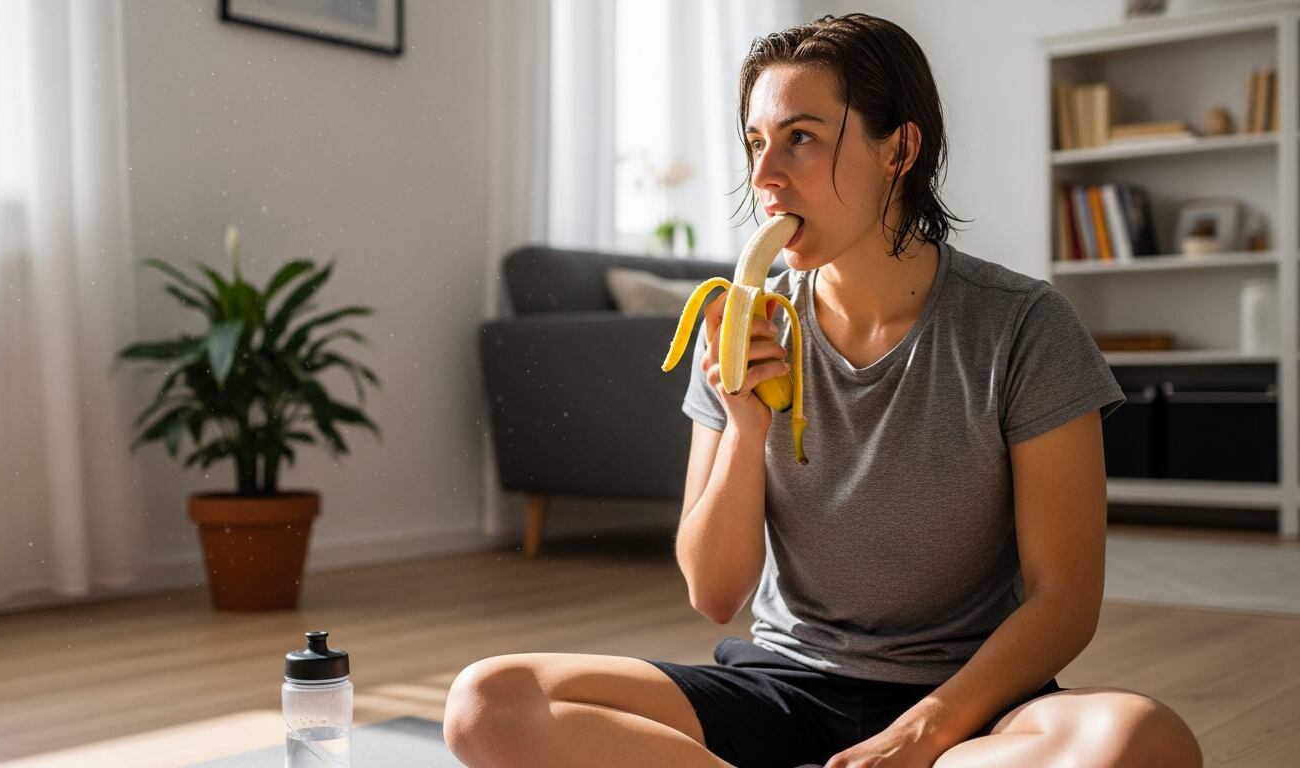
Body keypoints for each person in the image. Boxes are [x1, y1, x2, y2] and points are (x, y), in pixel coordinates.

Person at [444, 13, 1204, 768]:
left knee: (1144, 741)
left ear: (898, 149)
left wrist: (926, 730)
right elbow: (714, 592)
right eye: (755, 143)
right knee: (490, 699)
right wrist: (744, 425)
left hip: (972, 706)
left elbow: (1065, 599)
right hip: (786, 686)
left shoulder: (1023, 326)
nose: (765, 176)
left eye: (800, 137)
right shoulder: (746, 325)